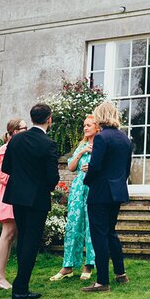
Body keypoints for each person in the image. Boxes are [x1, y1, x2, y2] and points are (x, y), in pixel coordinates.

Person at [1, 103, 60, 299]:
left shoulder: (16, 140)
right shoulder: (48, 144)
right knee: (31, 242)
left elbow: (7, 167)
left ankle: (20, 285)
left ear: (33, 118)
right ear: (49, 119)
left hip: (17, 196)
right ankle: (20, 288)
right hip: (36, 199)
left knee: (24, 239)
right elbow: (52, 178)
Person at [81, 101, 132, 292]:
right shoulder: (124, 139)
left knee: (99, 235)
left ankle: (102, 281)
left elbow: (95, 166)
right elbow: (126, 169)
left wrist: (87, 179)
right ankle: (120, 274)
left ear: (100, 116)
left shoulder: (102, 138)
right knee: (111, 232)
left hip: (100, 192)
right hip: (117, 191)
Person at [49, 115, 98, 282]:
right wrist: (82, 152)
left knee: (91, 226)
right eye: (84, 125)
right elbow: (70, 168)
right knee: (73, 226)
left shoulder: (101, 145)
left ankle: (89, 265)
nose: (85, 128)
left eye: (89, 125)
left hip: (93, 188)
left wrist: (92, 168)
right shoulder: (81, 145)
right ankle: (68, 266)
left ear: (97, 127)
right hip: (78, 188)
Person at [0, 118, 27, 290]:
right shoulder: (6, 149)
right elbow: (1, 175)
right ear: (13, 131)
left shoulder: (17, 147)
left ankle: (1, 275)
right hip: (9, 194)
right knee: (8, 232)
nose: (26, 130)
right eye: (23, 128)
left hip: (15, 193)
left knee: (12, 234)